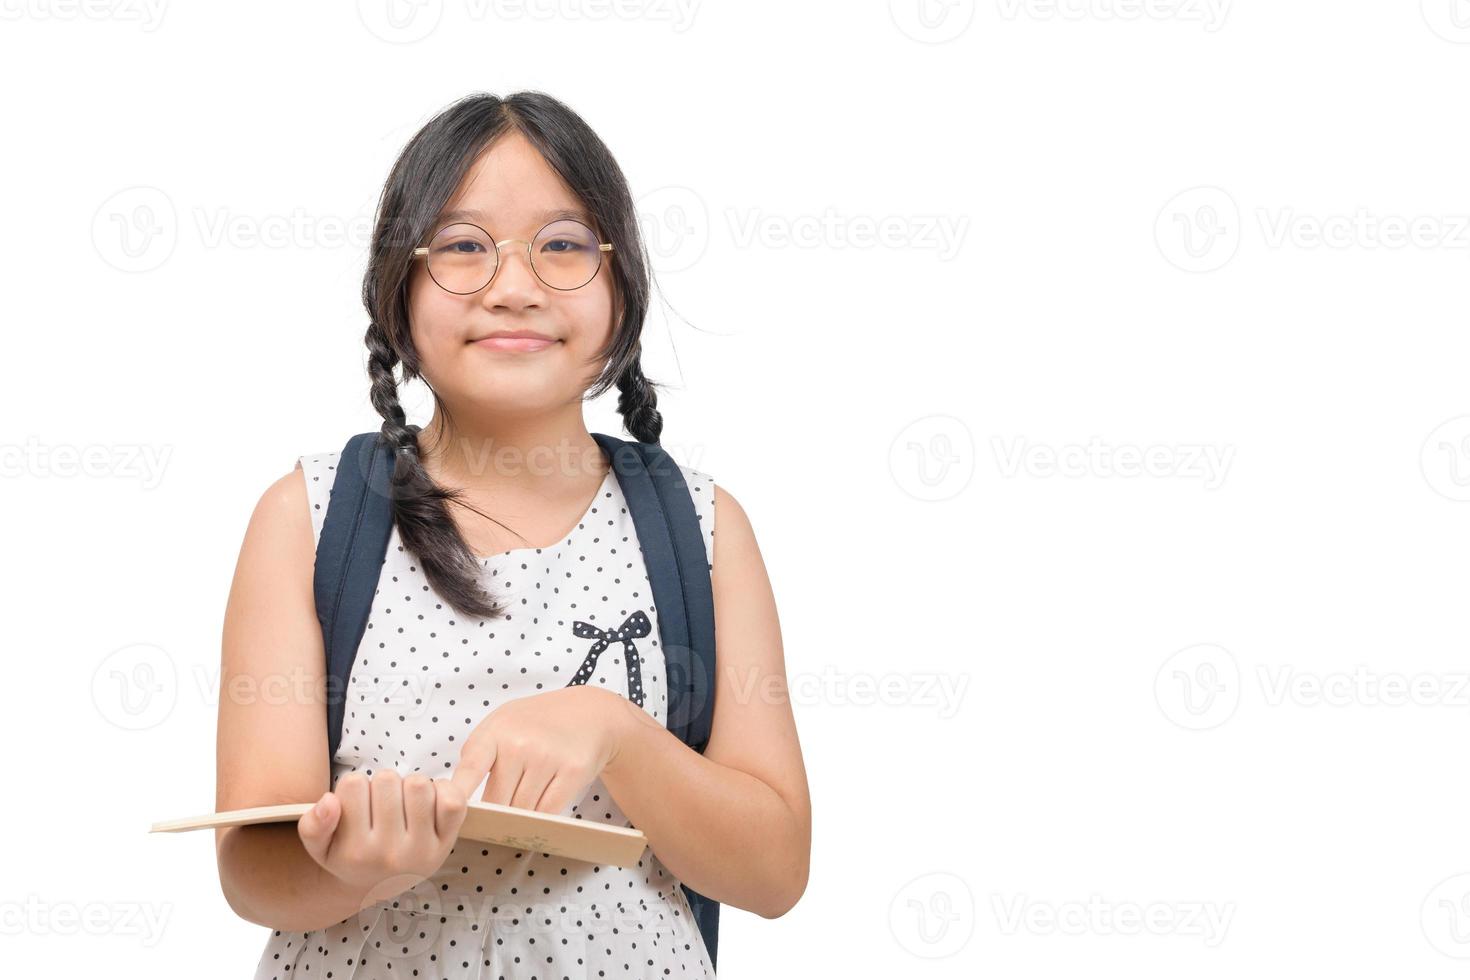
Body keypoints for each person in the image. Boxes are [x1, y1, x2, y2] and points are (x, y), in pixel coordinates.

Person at [212, 91, 811, 979]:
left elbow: (775, 870)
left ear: (621, 284)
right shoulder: (308, 516)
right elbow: (250, 866)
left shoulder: (700, 526)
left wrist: (617, 732)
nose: (515, 287)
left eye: (564, 245)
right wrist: (353, 869)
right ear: (398, 287)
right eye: (462, 247)